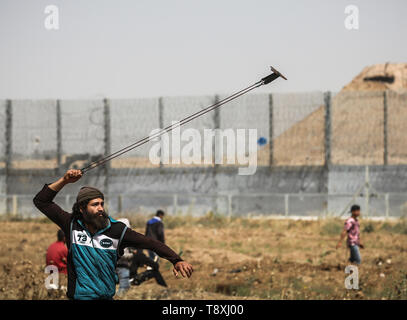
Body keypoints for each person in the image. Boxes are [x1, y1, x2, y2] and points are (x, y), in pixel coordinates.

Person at [33, 169, 193, 300]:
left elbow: (150, 243)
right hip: (78, 297)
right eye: (95, 205)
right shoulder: (71, 224)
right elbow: (41, 201)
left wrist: (176, 260)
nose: (101, 208)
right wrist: (65, 180)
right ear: (82, 209)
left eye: (102, 204)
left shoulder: (117, 230)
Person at [115, 218, 133, 296]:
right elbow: (121, 255)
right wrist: (132, 255)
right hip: (122, 266)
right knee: (124, 286)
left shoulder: (114, 237)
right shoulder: (121, 239)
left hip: (118, 266)